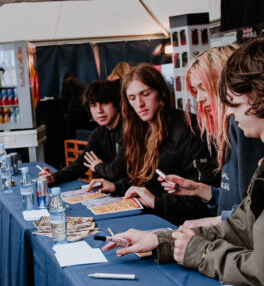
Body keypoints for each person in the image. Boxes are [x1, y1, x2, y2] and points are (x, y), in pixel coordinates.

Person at [105, 37, 264, 286]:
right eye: (132, 97)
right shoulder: (241, 136)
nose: (201, 100)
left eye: (205, 88)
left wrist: (196, 247)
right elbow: (243, 221)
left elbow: (257, 261)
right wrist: (161, 240)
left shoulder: (237, 133)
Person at [91, 64, 216, 224]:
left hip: (181, 224)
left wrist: (156, 202)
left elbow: (204, 196)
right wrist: (116, 186)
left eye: (145, 94)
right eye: (132, 98)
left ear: (161, 94)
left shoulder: (188, 128)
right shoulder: (140, 130)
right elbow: (148, 181)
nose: (139, 104)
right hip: (154, 215)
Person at [160, 46, 264, 228]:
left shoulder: (245, 127)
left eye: (203, 88)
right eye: (195, 90)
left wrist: (211, 223)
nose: (198, 99)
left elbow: (251, 214)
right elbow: (237, 201)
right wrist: (202, 190)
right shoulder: (232, 128)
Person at [39, 79, 125, 185]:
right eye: (93, 105)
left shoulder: (129, 129)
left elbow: (115, 172)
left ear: (116, 104)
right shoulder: (100, 132)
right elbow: (81, 164)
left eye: (104, 103)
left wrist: (98, 166)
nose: (99, 110)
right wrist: (56, 176)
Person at [60, 72, 91, 138]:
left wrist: (63, 111)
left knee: (71, 136)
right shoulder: (81, 84)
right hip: (84, 113)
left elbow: (64, 99)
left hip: (73, 113)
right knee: (83, 135)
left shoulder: (66, 82)